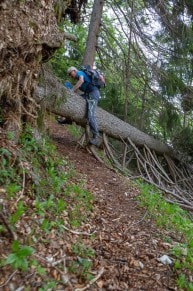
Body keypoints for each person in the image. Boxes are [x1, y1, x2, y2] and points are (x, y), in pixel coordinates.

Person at [67, 66, 100, 146]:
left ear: (74, 71)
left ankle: (96, 137)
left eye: (71, 74)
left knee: (90, 116)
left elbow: (81, 80)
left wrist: (72, 89)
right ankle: (68, 119)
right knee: (75, 101)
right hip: (87, 95)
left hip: (93, 95)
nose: (71, 76)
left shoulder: (80, 73)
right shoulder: (79, 77)